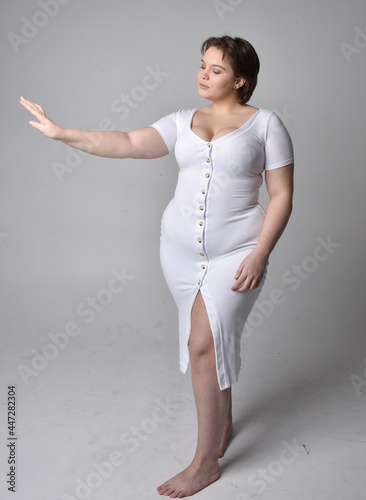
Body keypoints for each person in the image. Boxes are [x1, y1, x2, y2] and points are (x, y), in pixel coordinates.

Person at [20, 35, 294, 498]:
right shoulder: (182, 121)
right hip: (179, 253)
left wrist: (260, 253)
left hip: (238, 253)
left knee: (203, 343)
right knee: (208, 345)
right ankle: (221, 427)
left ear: (241, 80)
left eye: (216, 70)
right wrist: (63, 133)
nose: (203, 75)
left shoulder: (266, 125)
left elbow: (282, 195)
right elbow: (126, 142)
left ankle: (205, 463)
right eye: (202, 65)